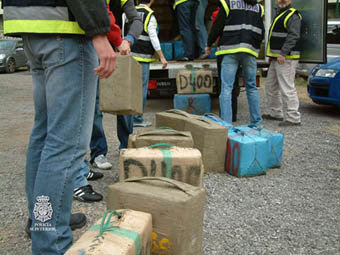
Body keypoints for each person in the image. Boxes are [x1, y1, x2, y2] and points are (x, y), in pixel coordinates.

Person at [2, 0, 116, 254]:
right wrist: (98, 31)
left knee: (44, 137)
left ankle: (41, 220)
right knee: (65, 144)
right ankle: (49, 239)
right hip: (65, 31)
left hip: (31, 27)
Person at [72, 1, 127, 203]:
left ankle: (42, 219)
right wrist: (110, 37)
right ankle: (76, 180)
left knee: (52, 127)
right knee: (75, 120)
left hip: (41, 35)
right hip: (69, 40)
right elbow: (97, 7)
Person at [205, 0, 264, 126]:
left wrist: (209, 44)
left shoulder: (228, 4)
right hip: (249, 51)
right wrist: (254, 46)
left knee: (226, 88)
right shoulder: (258, 8)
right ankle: (257, 123)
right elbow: (261, 31)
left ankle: (227, 125)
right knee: (251, 87)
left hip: (230, 50)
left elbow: (217, 26)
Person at [127, 0, 168, 127]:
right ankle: (137, 119)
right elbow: (153, 37)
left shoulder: (129, 12)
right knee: (141, 89)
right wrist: (161, 56)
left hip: (130, 55)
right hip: (143, 57)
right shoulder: (150, 15)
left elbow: (124, 33)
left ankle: (129, 118)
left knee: (130, 88)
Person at [110, 0, 144, 149]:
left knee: (124, 101)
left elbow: (136, 21)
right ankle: (98, 152)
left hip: (117, 51)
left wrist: (128, 40)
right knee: (94, 104)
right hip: (93, 51)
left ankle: (126, 145)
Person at [263, 0, 302, 126]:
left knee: (287, 88)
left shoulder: (292, 15)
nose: (281, 0)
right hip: (277, 58)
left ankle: (293, 118)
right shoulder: (280, 13)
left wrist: (283, 53)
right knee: (271, 87)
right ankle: (276, 113)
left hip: (286, 58)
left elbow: (293, 36)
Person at [211, 7, 240, 122]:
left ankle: (225, 116)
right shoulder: (241, 11)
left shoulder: (217, 13)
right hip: (239, 48)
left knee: (224, 85)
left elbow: (216, 29)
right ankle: (233, 115)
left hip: (224, 49)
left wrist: (209, 44)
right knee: (235, 83)